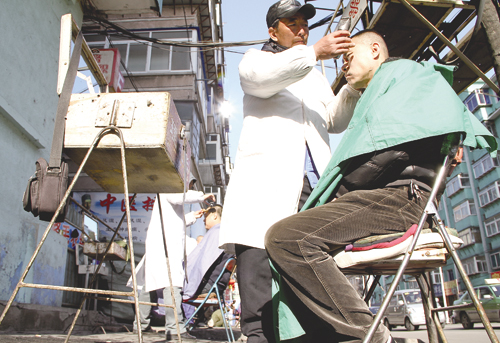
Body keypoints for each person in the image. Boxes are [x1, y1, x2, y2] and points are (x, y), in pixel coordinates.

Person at [265, 30, 497, 343]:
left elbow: (386, 155)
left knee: (286, 238)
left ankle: (371, 337)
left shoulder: (402, 75)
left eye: (348, 58)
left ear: (375, 50)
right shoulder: (390, 87)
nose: (344, 68)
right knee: (290, 240)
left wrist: (338, 189)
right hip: (386, 197)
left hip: (399, 199)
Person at [218, 1, 361, 342]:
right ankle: (258, 336)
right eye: (292, 23)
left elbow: (334, 120)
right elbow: (262, 79)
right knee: (259, 266)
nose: (300, 30)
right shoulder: (257, 61)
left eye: (304, 25)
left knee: (310, 269)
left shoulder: (313, 75)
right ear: (273, 31)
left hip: (313, 186)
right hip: (266, 185)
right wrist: (314, 51)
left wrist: (354, 86)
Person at [127, 177, 215, 340]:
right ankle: (175, 328)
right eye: (189, 185)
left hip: (161, 246)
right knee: (171, 284)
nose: (190, 188)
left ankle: (141, 325)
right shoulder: (169, 189)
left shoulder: (173, 199)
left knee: (150, 285)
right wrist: (201, 196)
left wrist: (192, 216)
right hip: (164, 247)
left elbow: (175, 221)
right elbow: (179, 196)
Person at [182, 205, 234, 326]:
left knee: (175, 288)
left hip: (209, 286)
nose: (204, 219)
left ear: (215, 215)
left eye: (206, 216)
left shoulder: (217, 232)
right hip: (217, 285)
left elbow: (202, 263)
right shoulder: (224, 233)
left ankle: (179, 325)